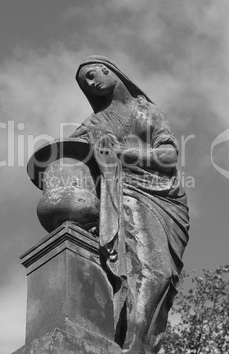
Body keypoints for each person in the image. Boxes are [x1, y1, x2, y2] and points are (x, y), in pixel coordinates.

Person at [70, 55, 190, 354]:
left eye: (93, 74)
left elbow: (169, 157)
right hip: (125, 193)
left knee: (163, 276)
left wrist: (122, 151)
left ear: (110, 71)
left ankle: (141, 344)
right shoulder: (95, 123)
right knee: (147, 272)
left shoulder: (144, 111)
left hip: (166, 199)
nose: (91, 82)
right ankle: (131, 343)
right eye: (85, 82)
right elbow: (69, 153)